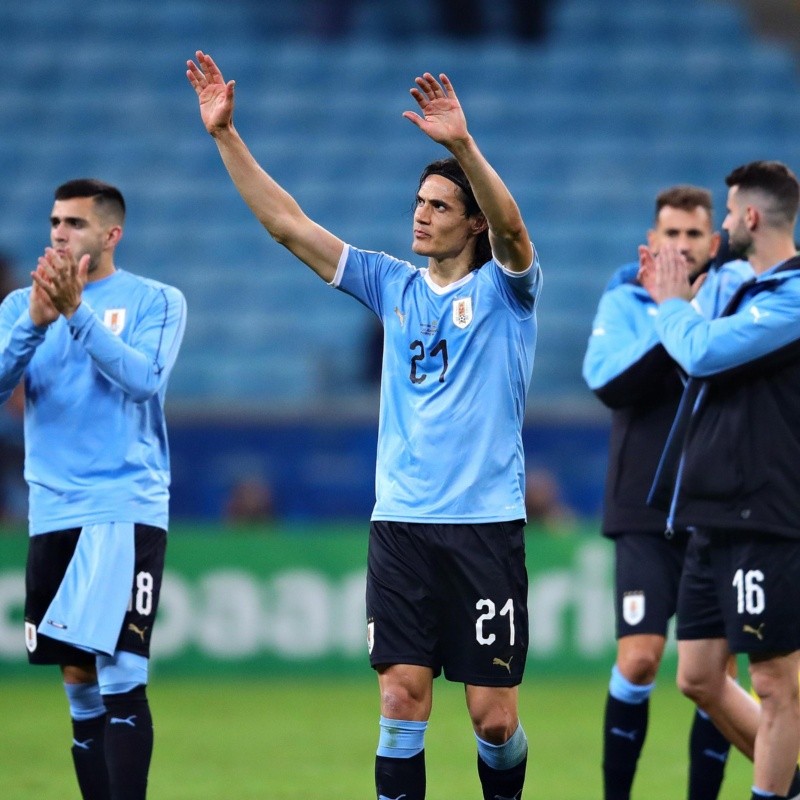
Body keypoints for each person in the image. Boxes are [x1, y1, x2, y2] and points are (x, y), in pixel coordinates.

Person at [187, 50, 539, 800]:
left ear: (471, 223)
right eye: (418, 201)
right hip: (402, 527)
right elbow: (289, 225)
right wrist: (225, 136)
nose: (421, 212)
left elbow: (514, 230)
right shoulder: (390, 285)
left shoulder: (508, 293)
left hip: (484, 528)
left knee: (496, 721)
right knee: (401, 697)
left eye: (440, 205)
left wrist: (464, 149)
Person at [1, 179, 187, 800]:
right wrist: (34, 321)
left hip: (123, 507)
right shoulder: (17, 308)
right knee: (78, 681)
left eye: (75, 223)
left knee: (122, 671)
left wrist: (77, 315)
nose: (59, 232)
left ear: (111, 234)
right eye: (54, 221)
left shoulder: (158, 300)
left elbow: (143, 380)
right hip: (52, 509)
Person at [583, 185, 752, 800]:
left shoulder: (738, 294)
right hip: (644, 508)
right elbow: (607, 381)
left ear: (714, 241)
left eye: (692, 236)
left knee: (717, 674)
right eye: (670, 235)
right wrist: (670, 313)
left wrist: (685, 308)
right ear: (652, 243)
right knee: (641, 659)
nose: (681, 246)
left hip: (717, 505)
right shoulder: (627, 292)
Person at [644, 161, 800, 800]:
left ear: (753, 218)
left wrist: (671, 308)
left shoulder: (794, 294)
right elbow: (702, 370)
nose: (726, 224)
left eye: (731, 212)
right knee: (700, 676)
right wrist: (685, 311)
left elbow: (703, 351)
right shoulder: (742, 291)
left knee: (775, 681)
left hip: (762, 512)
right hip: (712, 512)